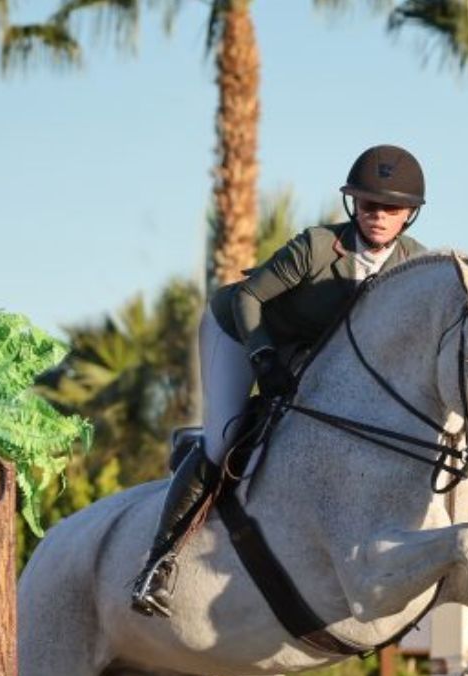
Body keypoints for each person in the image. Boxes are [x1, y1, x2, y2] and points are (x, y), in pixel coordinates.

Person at [130, 144, 431, 618]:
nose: (378, 215)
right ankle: (158, 564)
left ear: (409, 215)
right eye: (369, 204)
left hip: (309, 349)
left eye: (391, 208)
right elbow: (250, 297)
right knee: (223, 441)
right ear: (354, 204)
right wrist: (264, 356)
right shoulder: (316, 246)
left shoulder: (415, 266)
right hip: (241, 330)